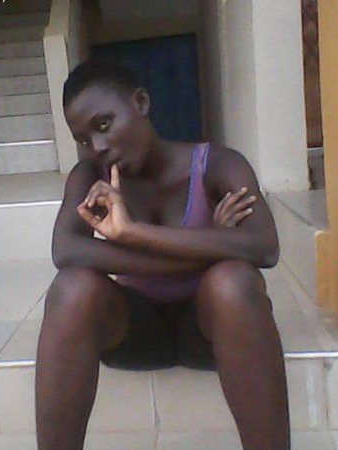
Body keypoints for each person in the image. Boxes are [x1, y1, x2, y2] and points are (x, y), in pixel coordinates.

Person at [35, 60, 290, 450]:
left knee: (234, 280)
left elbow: (264, 245)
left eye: (103, 125)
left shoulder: (217, 165)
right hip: (135, 332)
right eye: (84, 139)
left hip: (209, 329)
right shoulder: (89, 177)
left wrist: (132, 234)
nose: (98, 147)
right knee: (72, 288)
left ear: (140, 103)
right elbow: (66, 249)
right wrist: (208, 246)